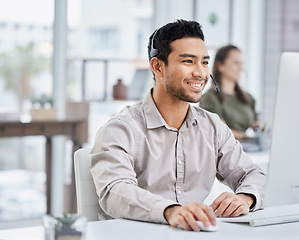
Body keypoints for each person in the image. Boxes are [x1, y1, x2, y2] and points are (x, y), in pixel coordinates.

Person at [90, 20, 266, 232]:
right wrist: (170, 211)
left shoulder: (212, 127)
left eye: (204, 62)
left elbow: (254, 175)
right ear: (157, 66)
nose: (200, 73)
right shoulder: (121, 129)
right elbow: (115, 191)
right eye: (188, 62)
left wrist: (245, 198)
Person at [200, 45, 264, 140]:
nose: (241, 68)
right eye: (236, 63)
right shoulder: (210, 98)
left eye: (242, 63)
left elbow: (256, 121)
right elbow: (220, 132)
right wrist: (247, 137)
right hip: (224, 151)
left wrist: (258, 126)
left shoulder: (247, 97)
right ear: (220, 66)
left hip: (248, 149)